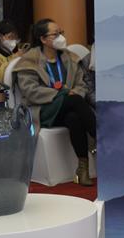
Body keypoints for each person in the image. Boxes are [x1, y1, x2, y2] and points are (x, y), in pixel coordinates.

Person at [13, 18, 96, 186]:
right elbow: (31, 91)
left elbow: (81, 85)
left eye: (61, 33)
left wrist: (73, 93)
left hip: (67, 108)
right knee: (74, 101)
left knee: (74, 118)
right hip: (42, 110)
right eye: (55, 34)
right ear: (43, 39)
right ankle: (104, 140)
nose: (61, 37)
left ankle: (82, 168)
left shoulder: (69, 58)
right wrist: (62, 93)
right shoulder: (29, 61)